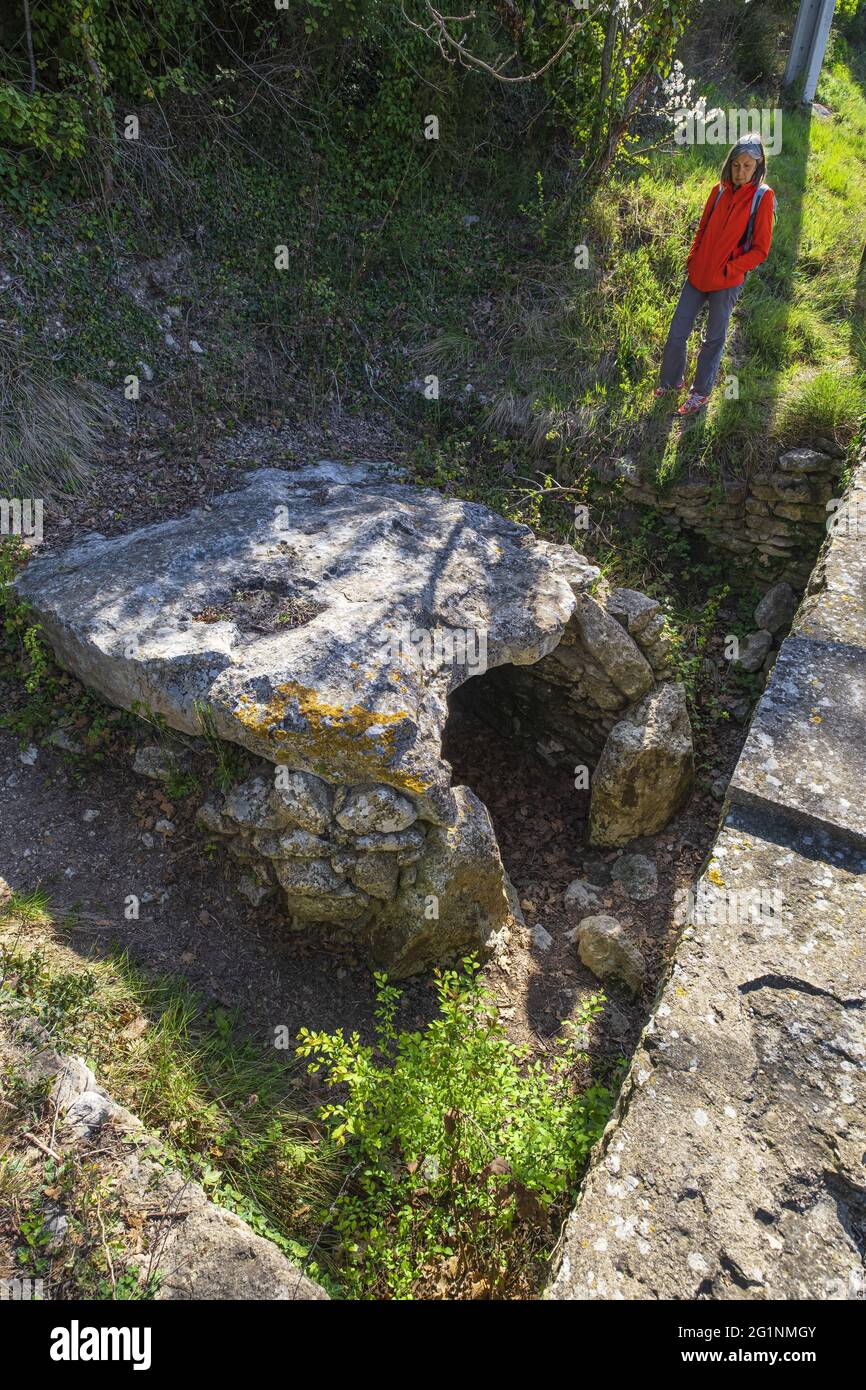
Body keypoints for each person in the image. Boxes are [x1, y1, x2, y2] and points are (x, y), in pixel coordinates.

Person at [655, 133, 775, 416]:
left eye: (747, 166)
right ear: (730, 163)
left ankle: (700, 393)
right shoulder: (718, 190)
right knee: (676, 333)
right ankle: (671, 383)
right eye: (736, 165)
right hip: (698, 275)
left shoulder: (763, 197)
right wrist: (693, 257)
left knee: (713, 339)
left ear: (758, 167)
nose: (740, 172)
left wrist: (730, 268)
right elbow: (703, 227)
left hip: (727, 281)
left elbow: (760, 250)